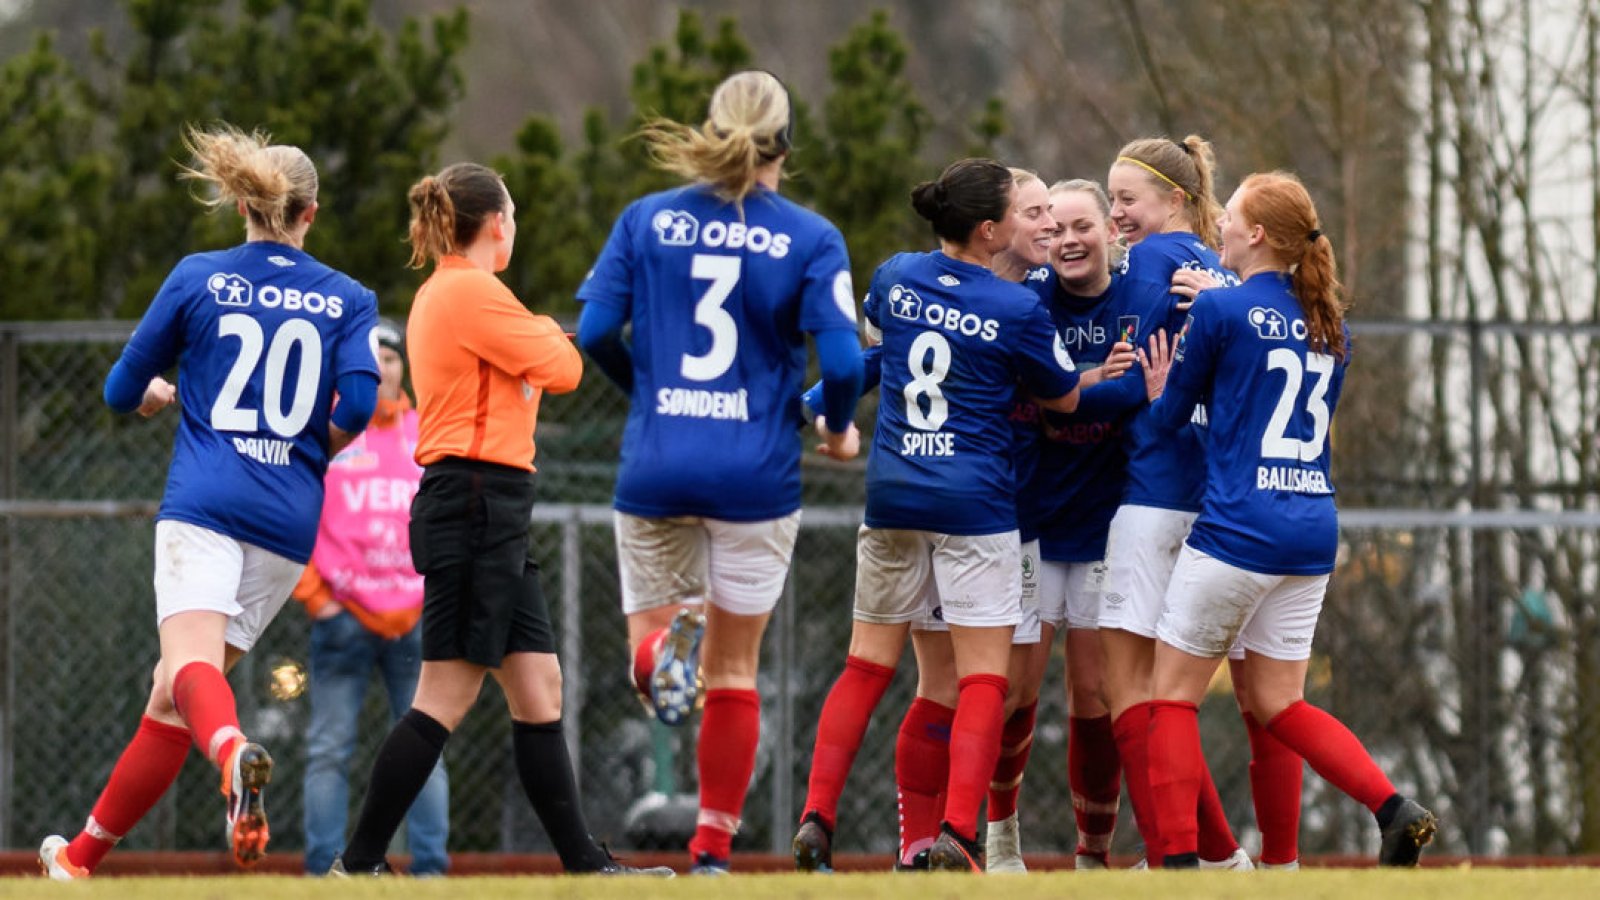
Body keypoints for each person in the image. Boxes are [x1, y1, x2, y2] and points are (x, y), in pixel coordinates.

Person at [39, 123, 380, 879]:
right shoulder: (349, 298)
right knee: (173, 693)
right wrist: (307, 448)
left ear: (242, 207)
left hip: (206, 503)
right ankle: (80, 860)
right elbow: (358, 406)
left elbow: (119, 389)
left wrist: (158, 392)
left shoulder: (198, 274)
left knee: (191, 676)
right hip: (288, 521)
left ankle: (232, 756)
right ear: (309, 215)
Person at [797, 157, 1133, 874]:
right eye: (1032, 211)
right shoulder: (1020, 309)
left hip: (894, 499)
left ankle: (821, 819)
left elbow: (884, 350)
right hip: (978, 510)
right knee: (982, 683)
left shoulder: (895, 275)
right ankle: (955, 834)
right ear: (991, 229)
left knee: (872, 670)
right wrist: (1128, 388)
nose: (1046, 224)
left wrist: (821, 403)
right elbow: (1064, 399)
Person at [332, 162, 667, 877]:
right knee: (444, 696)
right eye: (511, 215)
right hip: (474, 501)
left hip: (493, 505)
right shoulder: (472, 291)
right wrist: (544, 328)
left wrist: (538, 343)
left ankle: (584, 865)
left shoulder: (454, 293)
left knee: (539, 686)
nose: (515, 227)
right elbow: (566, 367)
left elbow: (547, 369)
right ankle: (357, 863)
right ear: (494, 224)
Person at [575, 70, 864, 874]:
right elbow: (841, 358)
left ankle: (662, 651)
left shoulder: (647, 219)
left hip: (659, 464)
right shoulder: (809, 237)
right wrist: (839, 429)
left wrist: (653, 397)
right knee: (735, 673)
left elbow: (596, 333)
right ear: (786, 145)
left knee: (658, 666)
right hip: (755, 474)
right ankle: (709, 855)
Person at [1138, 171, 1437, 868]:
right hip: (1308, 529)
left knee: (1170, 700)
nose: (1220, 228)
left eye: (1232, 217)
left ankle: (1180, 867)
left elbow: (1168, 420)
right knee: (1280, 702)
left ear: (1259, 235)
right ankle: (1393, 810)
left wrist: (1157, 390)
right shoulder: (1331, 326)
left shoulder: (1219, 312)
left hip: (1239, 528)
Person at [990, 178, 1160, 871]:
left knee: (1094, 696)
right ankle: (1001, 836)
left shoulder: (1137, 302)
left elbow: (1143, 392)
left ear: (1110, 232)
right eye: (1054, 228)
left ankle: (1094, 854)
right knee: (1016, 690)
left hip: (1104, 526)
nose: (1068, 240)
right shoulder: (1028, 303)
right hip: (1029, 523)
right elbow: (1053, 396)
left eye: (1082, 225)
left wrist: (1087, 389)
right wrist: (1095, 383)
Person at [1096, 135, 1254, 869]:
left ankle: (1181, 856)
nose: (1114, 213)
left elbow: (1128, 381)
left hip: (1153, 493)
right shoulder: (1228, 272)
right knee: (1180, 695)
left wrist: (1067, 382)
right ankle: (1226, 859)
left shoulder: (1152, 262)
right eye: (1111, 198)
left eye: (1127, 199)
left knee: (1132, 688)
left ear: (1177, 201)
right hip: (1217, 503)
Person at [294, 319, 449, 876]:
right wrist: (315, 596)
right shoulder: (330, 432)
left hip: (415, 617)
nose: (384, 364)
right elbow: (292, 511)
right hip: (343, 616)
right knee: (329, 750)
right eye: (373, 355)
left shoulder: (427, 431)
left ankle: (431, 872)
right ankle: (323, 872)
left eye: (392, 355)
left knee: (425, 747)